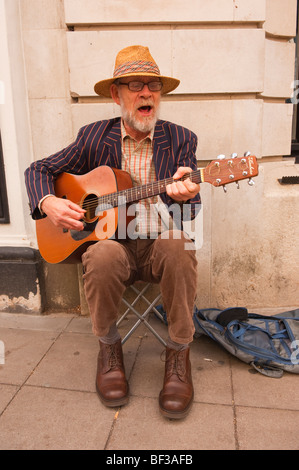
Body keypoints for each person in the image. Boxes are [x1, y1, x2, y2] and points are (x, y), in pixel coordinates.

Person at [24, 45, 201, 420]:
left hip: (157, 245)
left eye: (152, 84)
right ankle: (109, 350)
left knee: (180, 244)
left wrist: (188, 195)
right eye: (134, 85)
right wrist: (49, 203)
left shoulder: (182, 139)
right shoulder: (93, 137)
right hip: (111, 248)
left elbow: (189, 210)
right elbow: (37, 169)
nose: (146, 92)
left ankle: (179, 355)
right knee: (102, 252)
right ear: (116, 94)